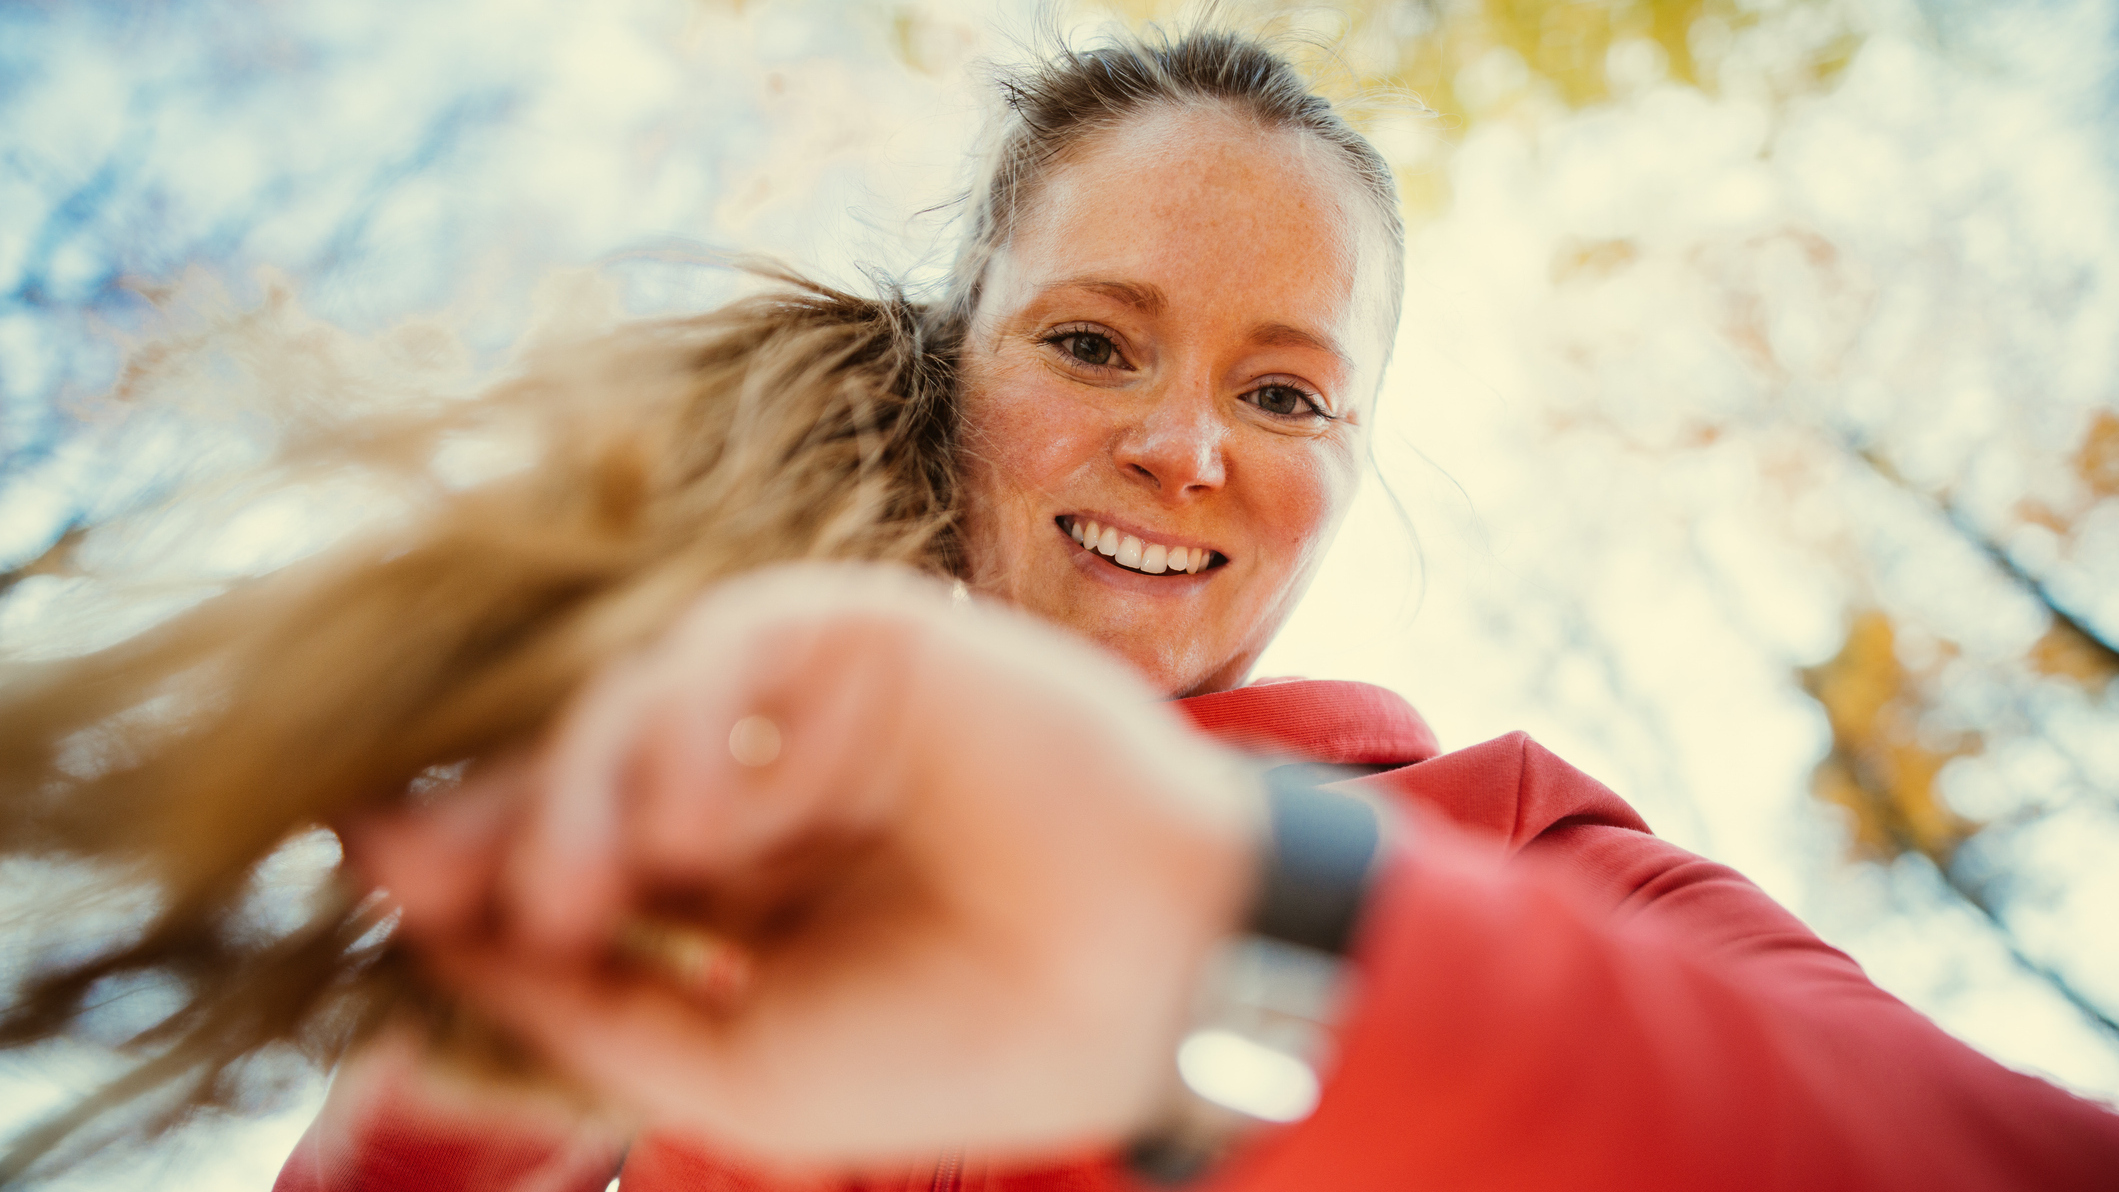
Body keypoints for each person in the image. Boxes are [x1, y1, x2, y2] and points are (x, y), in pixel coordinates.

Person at [3, 24, 2115, 1192]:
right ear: (954, 368)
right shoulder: (693, 874)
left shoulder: (1502, 840)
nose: (1188, 447)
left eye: (1283, 390)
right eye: (1095, 344)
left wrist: (1223, 937)